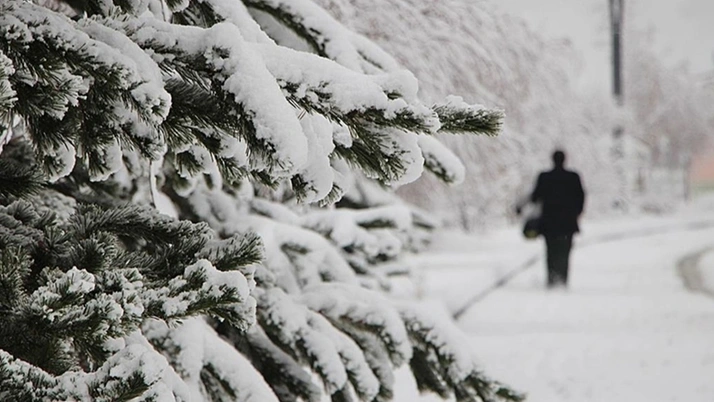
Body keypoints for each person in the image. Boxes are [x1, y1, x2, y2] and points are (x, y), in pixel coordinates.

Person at [528, 150, 585, 288]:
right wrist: (576, 213)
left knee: (551, 251)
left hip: (549, 223)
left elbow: (535, 197)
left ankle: (552, 279)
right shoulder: (573, 177)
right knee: (565, 251)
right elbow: (581, 197)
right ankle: (563, 279)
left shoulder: (544, 177)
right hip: (568, 223)